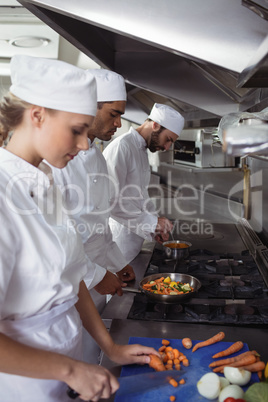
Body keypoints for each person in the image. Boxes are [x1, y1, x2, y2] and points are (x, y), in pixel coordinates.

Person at [0, 54, 158, 402]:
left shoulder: (44, 184)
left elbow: (72, 276)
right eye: (76, 131)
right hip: (24, 384)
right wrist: (71, 370)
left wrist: (110, 348)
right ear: (37, 115)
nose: (86, 145)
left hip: (66, 369)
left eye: (88, 131)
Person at [50, 68, 135, 363]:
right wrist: (97, 276)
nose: (118, 123)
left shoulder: (96, 155)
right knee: (70, 364)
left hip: (95, 283)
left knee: (92, 359)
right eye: (113, 114)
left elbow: (98, 223)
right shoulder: (54, 162)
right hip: (70, 287)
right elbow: (58, 239)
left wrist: (116, 261)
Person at [103, 103, 185, 264]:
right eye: (168, 139)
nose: (167, 147)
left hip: (133, 240)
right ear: (155, 125)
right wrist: (152, 223)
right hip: (118, 242)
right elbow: (110, 200)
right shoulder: (122, 147)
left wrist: (155, 227)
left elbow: (140, 196)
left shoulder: (140, 150)